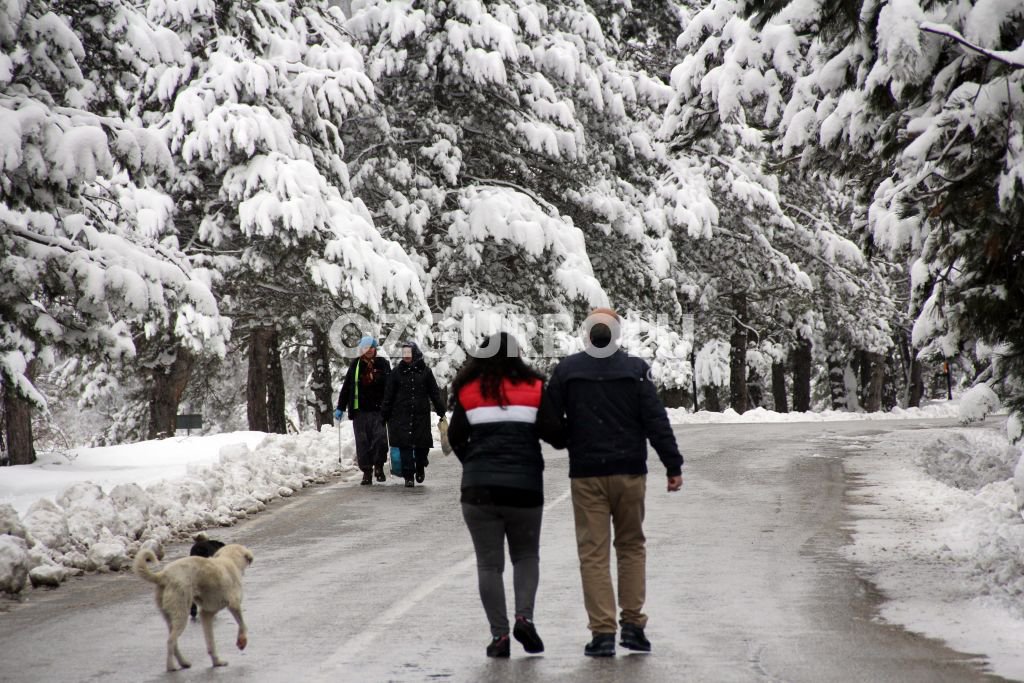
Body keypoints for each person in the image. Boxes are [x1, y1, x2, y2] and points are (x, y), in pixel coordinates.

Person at [545, 307, 684, 657]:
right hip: (629, 472)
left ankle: (603, 632)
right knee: (631, 547)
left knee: (593, 554)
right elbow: (656, 420)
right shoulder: (636, 371)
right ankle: (634, 625)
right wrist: (672, 465)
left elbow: (546, 418)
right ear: (617, 336)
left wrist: (567, 439)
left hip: (587, 473)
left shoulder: (567, 371)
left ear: (587, 334)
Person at [447, 332, 565, 658]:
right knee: (526, 556)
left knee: (489, 566)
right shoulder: (535, 389)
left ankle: (499, 638)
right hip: (525, 490)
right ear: (518, 355)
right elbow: (556, 435)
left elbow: (457, 437)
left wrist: (473, 464)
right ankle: (524, 617)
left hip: (478, 493)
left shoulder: (469, 392)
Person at [381, 340, 445, 487]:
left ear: (415, 353)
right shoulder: (396, 373)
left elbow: (434, 393)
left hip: (420, 415)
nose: (406, 356)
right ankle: (409, 475)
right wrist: (384, 413)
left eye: (409, 353)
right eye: (404, 353)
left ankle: (421, 465)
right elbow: (389, 395)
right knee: (405, 446)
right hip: (401, 415)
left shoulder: (426, 372)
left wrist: (441, 411)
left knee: (422, 446)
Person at [335, 336, 391, 485]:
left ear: (375, 349)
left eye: (371, 347)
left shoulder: (383, 364)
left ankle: (379, 467)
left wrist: (392, 405)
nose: (369, 350)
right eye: (366, 348)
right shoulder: (356, 365)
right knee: (363, 443)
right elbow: (347, 387)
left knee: (380, 440)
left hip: (379, 411)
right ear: (361, 350)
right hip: (360, 411)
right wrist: (340, 407)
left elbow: (390, 387)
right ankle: (367, 472)